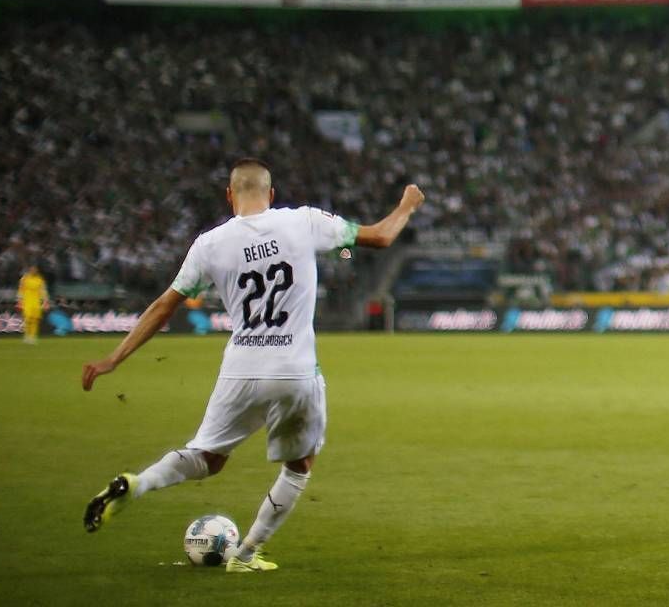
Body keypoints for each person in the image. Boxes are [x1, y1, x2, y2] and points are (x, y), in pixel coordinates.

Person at [80, 160, 426, 570]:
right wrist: (406, 205)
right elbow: (383, 236)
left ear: (229, 196)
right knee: (298, 469)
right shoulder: (303, 222)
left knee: (206, 456)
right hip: (294, 371)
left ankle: (138, 484)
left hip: (240, 368)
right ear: (272, 194)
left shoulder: (209, 244)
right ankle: (245, 555)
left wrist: (113, 359)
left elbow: (163, 307)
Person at [18, 265, 48, 345]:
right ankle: (26, 336)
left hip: (36, 302)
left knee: (35, 319)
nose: (34, 271)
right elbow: (20, 290)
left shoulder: (40, 279)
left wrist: (45, 302)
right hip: (27, 301)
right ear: (29, 270)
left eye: (35, 270)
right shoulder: (24, 279)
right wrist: (20, 301)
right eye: (32, 269)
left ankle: (33, 337)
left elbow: (43, 291)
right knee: (28, 318)